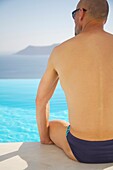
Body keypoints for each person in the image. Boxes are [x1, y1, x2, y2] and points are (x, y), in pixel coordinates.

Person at [36, 0, 113, 163]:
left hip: (82, 150)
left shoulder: (60, 52)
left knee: (56, 124)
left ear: (81, 14)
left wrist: (44, 139)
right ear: (105, 19)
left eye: (74, 15)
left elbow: (41, 100)